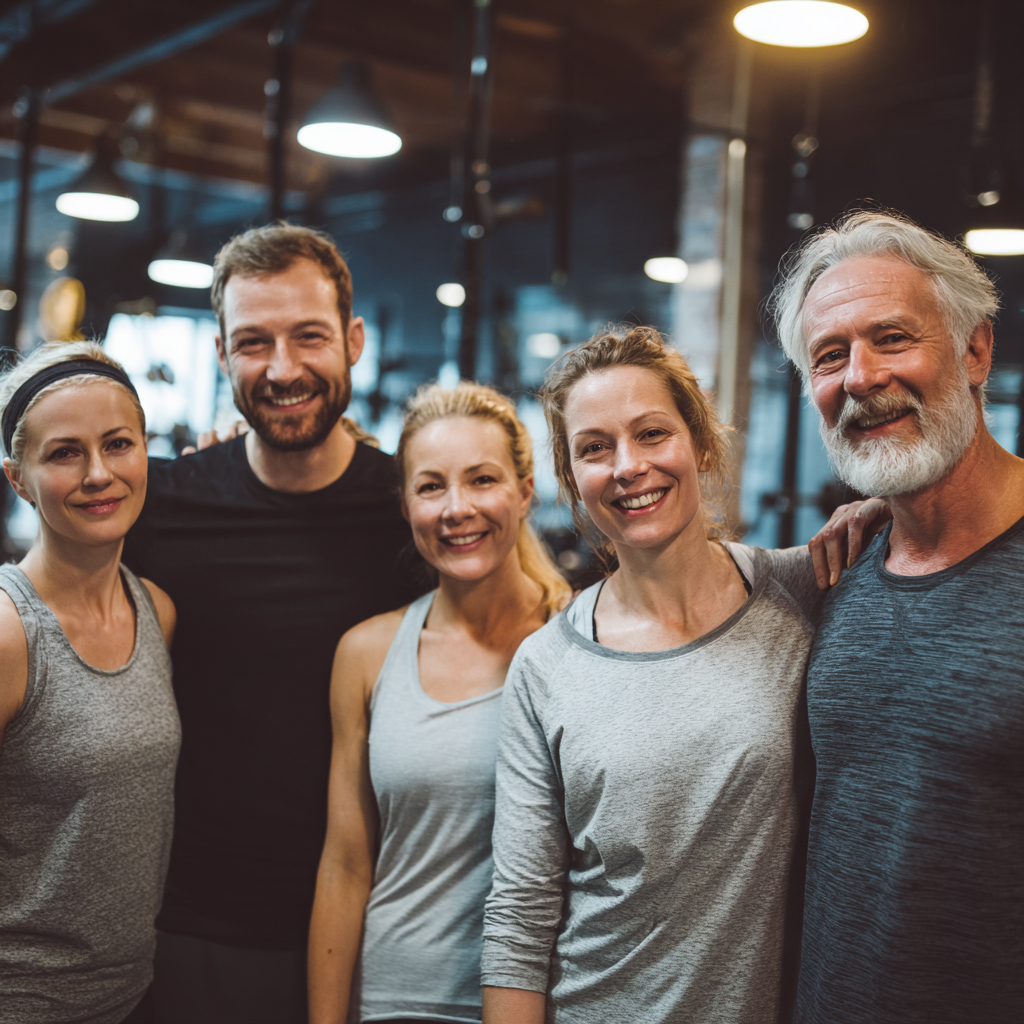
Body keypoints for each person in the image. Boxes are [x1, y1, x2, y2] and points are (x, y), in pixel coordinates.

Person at [480, 326, 887, 1024]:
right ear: (572, 478)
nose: (628, 466)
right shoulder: (545, 666)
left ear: (698, 441)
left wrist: (889, 509)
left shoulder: (805, 589)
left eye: (651, 433)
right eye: (595, 448)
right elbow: (521, 913)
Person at [121, 224, 424, 1023]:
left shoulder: (415, 513)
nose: (283, 369)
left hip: (380, 930)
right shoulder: (161, 505)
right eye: (254, 342)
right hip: (190, 928)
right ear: (222, 353)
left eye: (309, 336)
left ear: (354, 341)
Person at [770, 209, 1024, 1023]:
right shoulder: (841, 569)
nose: (859, 378)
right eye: (829, 355)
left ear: (975, 350)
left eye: (891, 338)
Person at [307, 382, 571, 1024]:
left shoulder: (581, 642)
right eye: (431, 487)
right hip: (389, 1000)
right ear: (406, 506)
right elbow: (345, 865)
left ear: (525, 491)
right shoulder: (366, 653)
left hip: (538, 1004)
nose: (457, 508)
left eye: (482, 479)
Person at [0, 342, 179, 1024]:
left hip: (130, 996)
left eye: (118, 444)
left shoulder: (155, 610)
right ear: (19, 479)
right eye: (65, 453)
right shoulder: (10, 631)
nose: (99, 474)